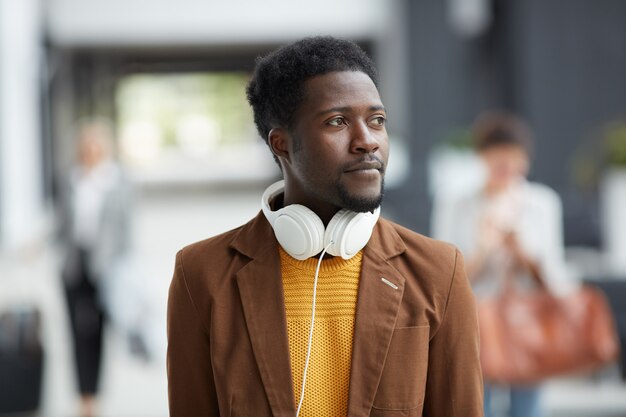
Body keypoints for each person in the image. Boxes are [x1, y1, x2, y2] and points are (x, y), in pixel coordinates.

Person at [167, 36, 483, 417]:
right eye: (337, 121)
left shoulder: (438, 271)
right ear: (281, 144)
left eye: (377, 120)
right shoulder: (202, 273)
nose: (367, 142)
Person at [432, 111, 568, 417]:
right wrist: (483, 246)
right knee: (477, 404)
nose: (505, 166)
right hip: (474, 322)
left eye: (512, 158)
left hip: (528, 322)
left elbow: (555, 277)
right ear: (481, 158)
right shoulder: (456, 203)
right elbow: (444, 278)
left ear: (525, 160)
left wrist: (522, 252)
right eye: (497, 158)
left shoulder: (543, 203)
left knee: (528, 408)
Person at [58, 119, 132, 417]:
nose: (90, 151)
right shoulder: (71, 179)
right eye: (85, 146)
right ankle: (83, 396)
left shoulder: (118, 182)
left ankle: (95, 395)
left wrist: (124, 266)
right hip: (74, 267)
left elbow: (126, 231)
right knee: (75, 333)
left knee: (98, 334)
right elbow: (63, 224)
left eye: (95, 146)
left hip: (105, 269)